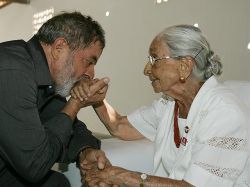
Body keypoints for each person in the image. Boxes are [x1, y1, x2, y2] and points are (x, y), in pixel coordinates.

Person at [71, 25, 250, 187]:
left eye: (154, 58)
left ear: (184, 66)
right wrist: (98, 101)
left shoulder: (224, 113)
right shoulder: (170, 104)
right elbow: (119, 126)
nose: (146, 69)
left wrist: (122, 177)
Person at [0, 11, 111, 187]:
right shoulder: (12, 71)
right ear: (59, 48)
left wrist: (85, 151)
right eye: (89, 62)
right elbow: (35, 165)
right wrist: (75, 103)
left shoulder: (38, 74)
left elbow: (67, 123)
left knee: (56, 183)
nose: (91, 74)